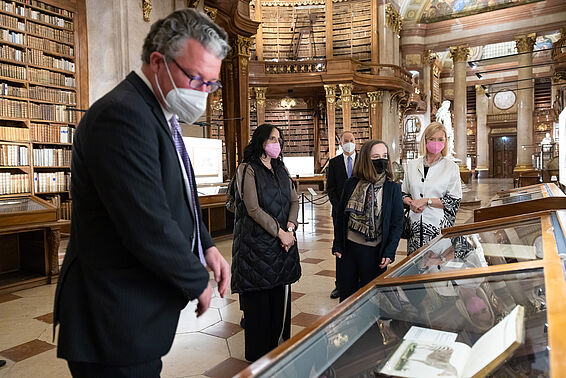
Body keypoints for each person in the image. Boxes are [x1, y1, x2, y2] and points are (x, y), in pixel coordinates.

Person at [53, 9, 230, 376]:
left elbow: (175, 193)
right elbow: (146, 222)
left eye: (211, 85)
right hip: (112, 320)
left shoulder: (157, 113)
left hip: (134, 318)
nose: (204, 95)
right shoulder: (121, 117)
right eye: (197, 80)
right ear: (157, 61)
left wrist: (206, 245)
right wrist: (197, 281)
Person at [231, 123, 302, 362]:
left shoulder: (281, 168)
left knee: (278, 298)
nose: (276, 144)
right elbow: (252, 208)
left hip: (283, 245)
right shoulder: (247, 168)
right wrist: (279, 233)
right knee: (260, 302)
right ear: (260, 141)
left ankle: (278, 349)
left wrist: (290, 228)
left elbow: (294, 200)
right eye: (272, 139)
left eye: (279, 140)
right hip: (257, 246)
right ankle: (260, 357)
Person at [332, 140, 404, 302]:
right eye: (376, 156)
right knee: (348, 299)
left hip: (375, 252)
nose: (381, 160)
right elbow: (340, 216)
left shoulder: (392, 188)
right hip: (349, 250)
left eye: (384, 156)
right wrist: (337, 244)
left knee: (373, 300)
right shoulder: (351, 184)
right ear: (366, 159)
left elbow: (397, 223)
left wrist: (390, 251)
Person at [402, 121, 462, 255]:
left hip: (438, 227)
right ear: (425, 140)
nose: (436, 143)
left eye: (440, 139)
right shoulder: (412, 166)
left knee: (435, 266)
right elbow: (403, 193)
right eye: (432, 139)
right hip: (415, 227)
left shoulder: (451, 168)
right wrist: (411, 203)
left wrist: (426, 201)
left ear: (445, 141)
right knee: (414, 267)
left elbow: (454, 202)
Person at [326, 131, 357, 299]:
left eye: (352, 140)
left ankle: (357, 282)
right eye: (346, 140)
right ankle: (340, 285)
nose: (350, 143)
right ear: (340, 143)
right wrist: (339, 208)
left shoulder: (362, 161)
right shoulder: (334, 163)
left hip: (360, 215)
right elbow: (330, 188)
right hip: (339, 213)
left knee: (358, 247)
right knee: (340, 248)